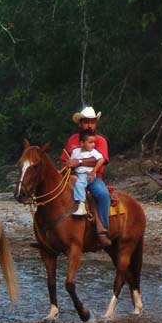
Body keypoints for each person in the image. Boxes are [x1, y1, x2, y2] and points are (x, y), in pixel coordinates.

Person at [63, 106, 112, 248]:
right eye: (86, 122)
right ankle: (48, 229)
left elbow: (100, 160)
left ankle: (103, 229)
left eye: (93, 122)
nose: (90, 125)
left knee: (102, 194)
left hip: (92, 178)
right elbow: (65, 158)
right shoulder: (72, 139)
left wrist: (77, 162)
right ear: (80, 123)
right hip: (72, 177)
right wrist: (70, 173)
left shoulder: (100, 140)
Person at [68, 129, 105, 217]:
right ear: (82, 143)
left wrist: (93, 172)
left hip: (86, 175)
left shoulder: (93, 152)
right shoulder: (75, 151)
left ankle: (82, 205)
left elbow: (102, 159)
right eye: (90, 142)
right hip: (76, 173)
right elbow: (72, 162)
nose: (93, 144)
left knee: (79, 184)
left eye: (94, 142)